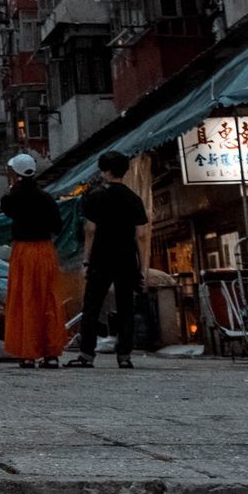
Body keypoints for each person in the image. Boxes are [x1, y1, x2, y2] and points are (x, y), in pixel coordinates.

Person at [65, 150, 150, 370]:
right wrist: (143, 268)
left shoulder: (94, 196)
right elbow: (141, 235)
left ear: (106, 171)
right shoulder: (134, 198)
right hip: (126, 259)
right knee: (125, 307)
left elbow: (90, 229)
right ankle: (124, 356)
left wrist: (86, 261)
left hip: (101, 258)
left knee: (92, 306)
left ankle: (86, 355)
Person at [0, 153, 64, 369]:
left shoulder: (11, 198)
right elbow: (57, 226)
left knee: (25, 299)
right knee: (48, 299)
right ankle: (51, 353)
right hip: (45, 250)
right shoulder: (46, 198)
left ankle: (28, 353)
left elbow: (8, 208)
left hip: (23, 251)